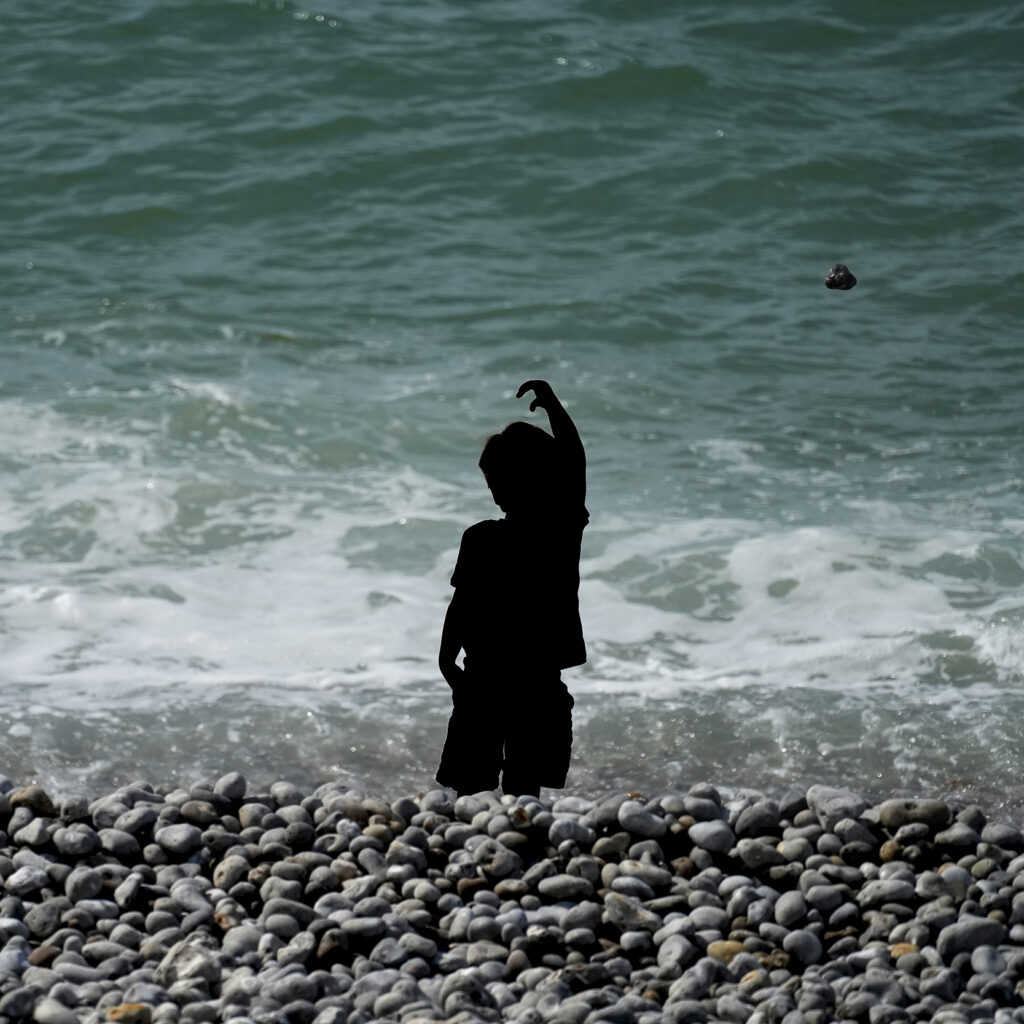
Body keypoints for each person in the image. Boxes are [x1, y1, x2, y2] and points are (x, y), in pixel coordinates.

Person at [436, 379, 588, 797]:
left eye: (504, 482)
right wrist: (446, 660)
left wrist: (555, 408)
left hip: (536, 679)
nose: (498, 493)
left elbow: (575, 464)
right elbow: (461, 602)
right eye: (493, 485)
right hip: (482, 677)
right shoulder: (480, 537)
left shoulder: (559, 530)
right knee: (470, 784)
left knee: (524, 783)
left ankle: (514, 841)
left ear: (542, 480)